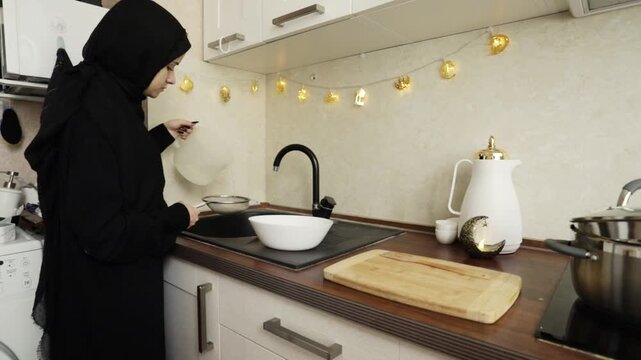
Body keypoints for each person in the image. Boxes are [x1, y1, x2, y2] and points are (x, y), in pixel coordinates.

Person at [24, 1, 199, 359]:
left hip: (104, 291)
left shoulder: (108, 100)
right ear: (139, 52)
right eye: (169, 66)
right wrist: (178, 215)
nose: (171, 79)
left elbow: (117, 164)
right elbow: (107, 234)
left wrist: (162, 134)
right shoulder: (94, 114)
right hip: (106, 305)